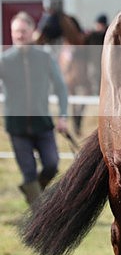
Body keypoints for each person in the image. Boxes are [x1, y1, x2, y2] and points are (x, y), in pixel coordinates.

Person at [0, 11, 69, 205]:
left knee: (52, 165)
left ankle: (33, 193)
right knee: (29, 172)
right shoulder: (5, 61)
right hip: (17, 128)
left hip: (43, 125)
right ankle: (38, 215)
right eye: (16, 32)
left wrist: (63, 116)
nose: (19, 35)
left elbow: (61, 88)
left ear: (32, 32)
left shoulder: (45, 58)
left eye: (23, 31)